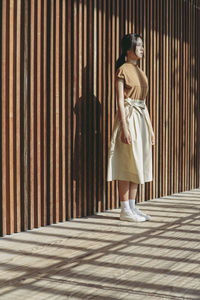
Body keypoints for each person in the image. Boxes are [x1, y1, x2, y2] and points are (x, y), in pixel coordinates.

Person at [107, 33, 155, 222]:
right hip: (128, 118)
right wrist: (125, 129)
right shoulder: (122, 70)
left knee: (138, 162)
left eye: (143, 45)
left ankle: (133, 207)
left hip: (141, 118)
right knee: (126, 161)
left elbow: (144, 103)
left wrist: (150, 130)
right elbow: (120, 101)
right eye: (139, 45)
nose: (142, 48)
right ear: (129, 49)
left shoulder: (141, 72)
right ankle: (124, 208)